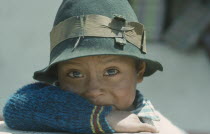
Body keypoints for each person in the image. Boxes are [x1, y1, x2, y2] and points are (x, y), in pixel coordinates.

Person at [2, 0, 187, 133]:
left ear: (139, 71)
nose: (93, 90)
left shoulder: (158, 127)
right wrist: (101, 118)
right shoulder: (54, 112)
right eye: (75, 74)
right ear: (58, 77)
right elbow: (15, 108)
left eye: (111, 71)